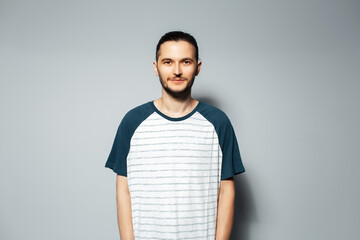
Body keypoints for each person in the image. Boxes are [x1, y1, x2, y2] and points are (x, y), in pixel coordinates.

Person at [105, 31, 245, 240]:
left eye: (186, 62)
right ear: (156, 67)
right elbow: (123, 190)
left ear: (197, 67)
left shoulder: (218, 122)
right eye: (168, 62)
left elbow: (226, 191)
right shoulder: (132, 122)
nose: (177, 71)